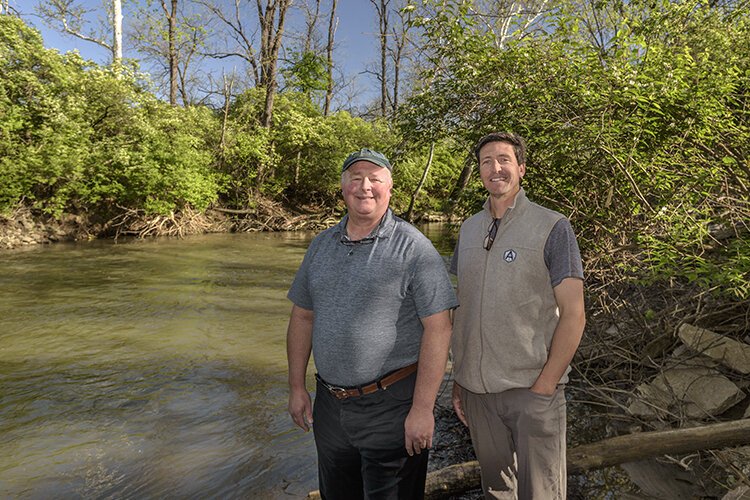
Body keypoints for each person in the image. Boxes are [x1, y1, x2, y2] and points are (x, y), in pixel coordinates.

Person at [286, 148, 458, 499]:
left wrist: (423, 410)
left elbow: (439, 328)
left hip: (392, 405)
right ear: (343, 187)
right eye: (356, 178)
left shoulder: (414, 248)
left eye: (375, 179)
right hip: (330, 406)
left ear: (389, 189)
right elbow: (303, 316)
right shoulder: (320, 246)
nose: (365, 186)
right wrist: (296, 388)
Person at [450, 132, 586, 499]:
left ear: (521, 168)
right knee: (496, 491)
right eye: (486, 162)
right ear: (479, 172)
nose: (495, 168)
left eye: (504, 160)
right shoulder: (467, 230)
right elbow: (460, 308)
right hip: (478, 394)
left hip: (533, 390)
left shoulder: (553, 226)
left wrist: (546, 384)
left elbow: (574, 314)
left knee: (541, 493)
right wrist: (459, 377)